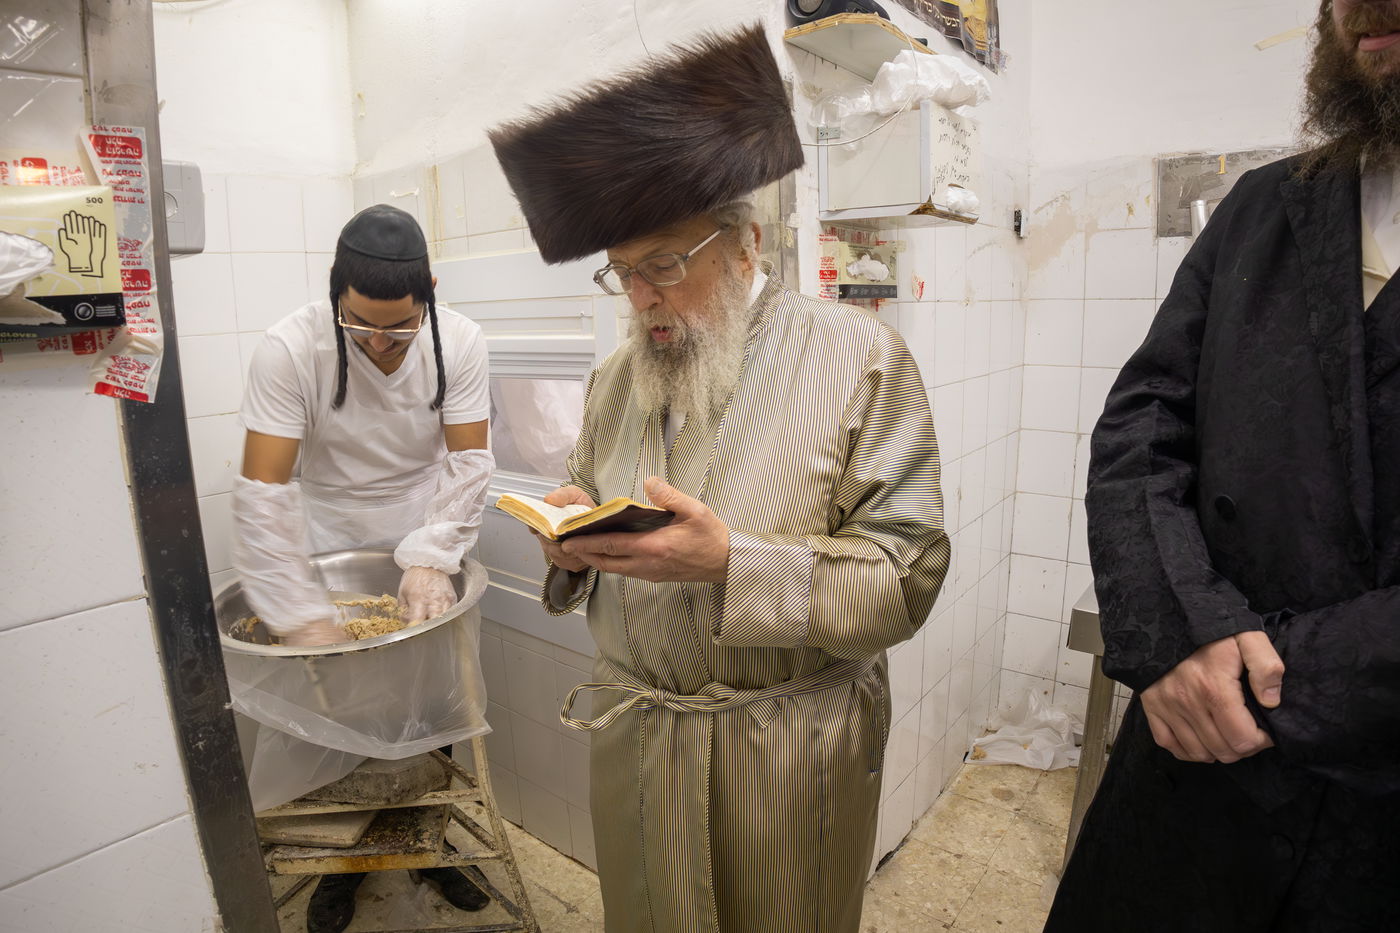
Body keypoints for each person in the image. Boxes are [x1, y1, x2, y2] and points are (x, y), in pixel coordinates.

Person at [487, 24, 950, 933]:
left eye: (663, 263)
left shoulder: (861, 359)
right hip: (643, 744)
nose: (641, 298)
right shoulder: (618, 376)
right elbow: (587, 490)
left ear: (744, 244)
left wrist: (733, 563)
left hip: (787, 757)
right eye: (621, 273)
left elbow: (908, 576)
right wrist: (573, 538)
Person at [1047, 2, 1400, 930]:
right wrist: (1178, 630)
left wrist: (1269, 681)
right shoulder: (1266, 207)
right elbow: (1142, 422)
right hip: (1189, 755)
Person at [231, 204, 495, 932]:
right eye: (359, 324)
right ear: (334, 295)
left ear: (430, 294)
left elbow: (468, 462)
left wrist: (433, 554)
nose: (379, 341)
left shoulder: (461, 342)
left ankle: (433, 846)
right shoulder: (289, 348)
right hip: (329, 527)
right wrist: (298, 608)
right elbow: (263, 485)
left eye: (399, 326)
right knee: (336, 713)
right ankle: (340, 868)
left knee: (431, 696)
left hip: (423, 516)